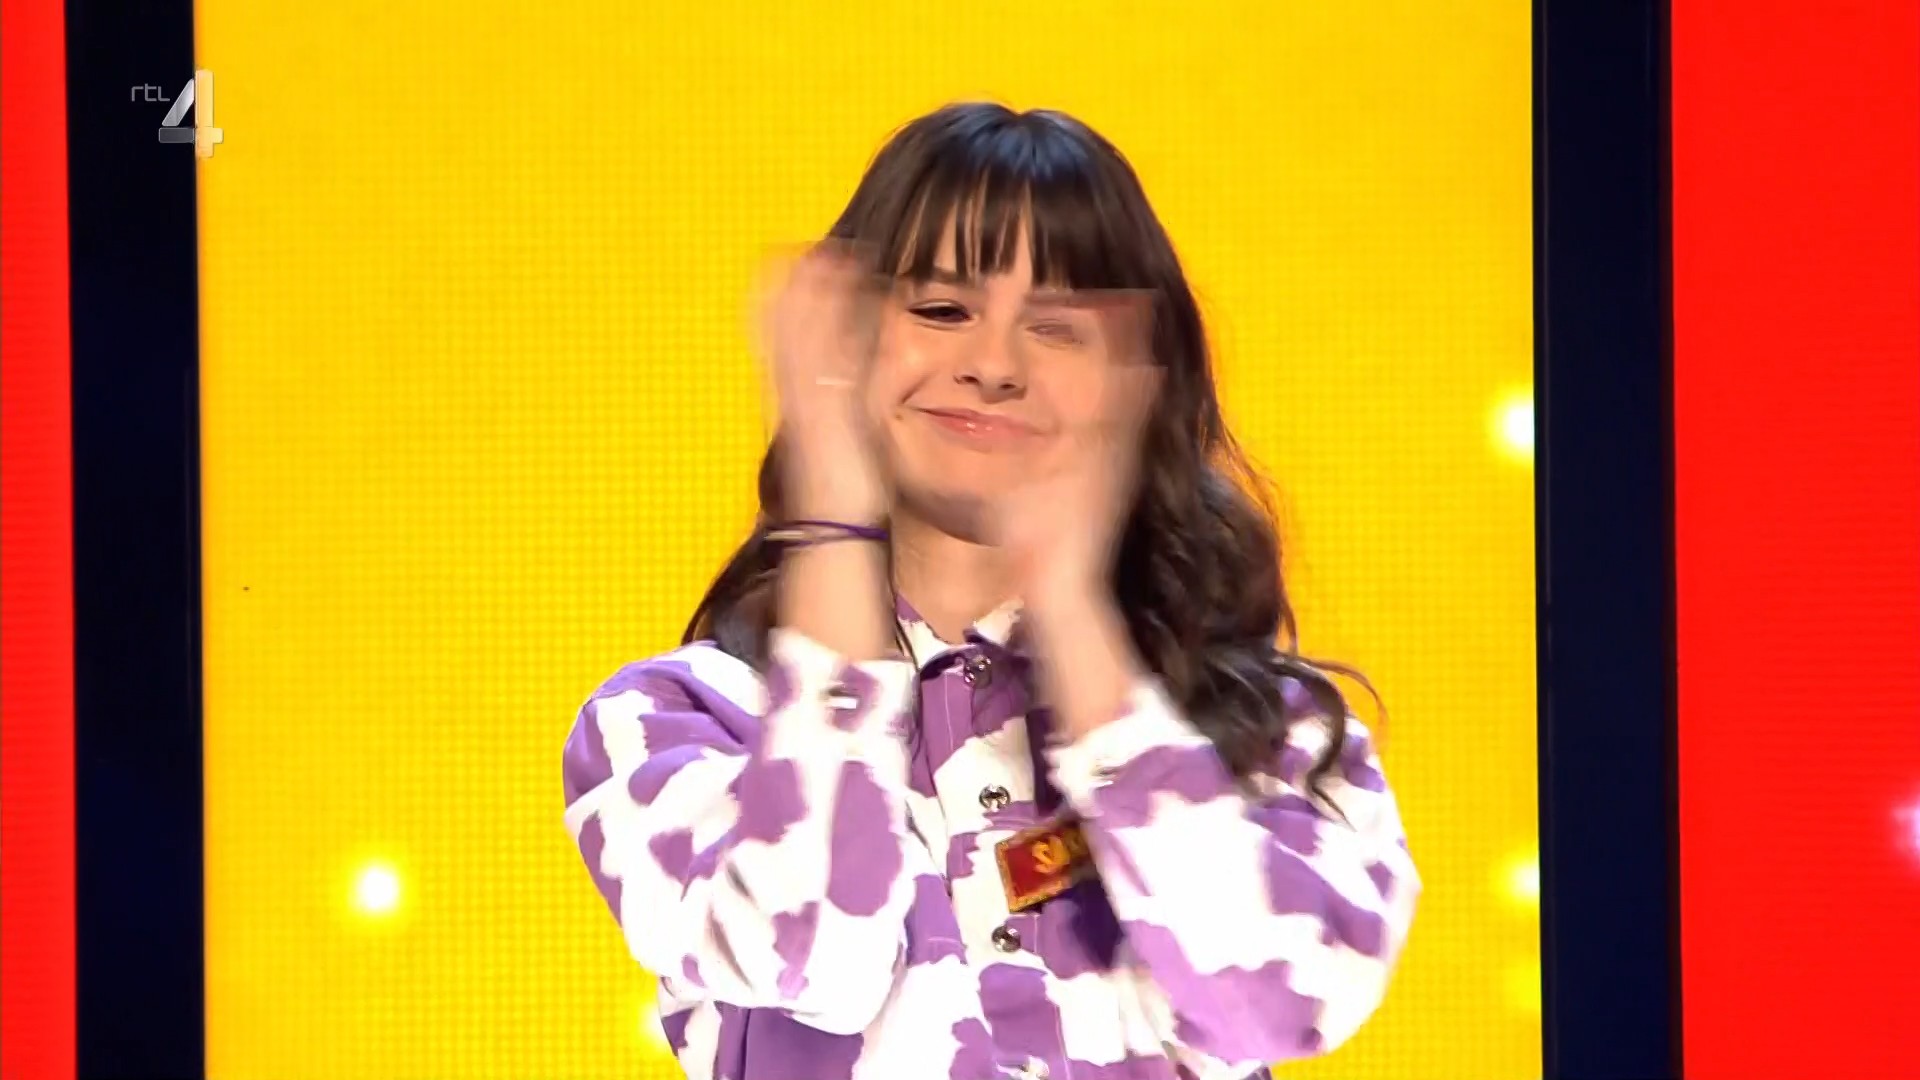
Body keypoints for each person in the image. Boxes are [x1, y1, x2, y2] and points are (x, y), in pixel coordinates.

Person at [561, 102, 1419, 1080]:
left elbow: (1276, 1004)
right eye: (941, 311)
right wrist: (832, 513)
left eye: (1057, 328)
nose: (993, 366)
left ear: (1143, 383)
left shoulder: (1272, 727)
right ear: (842, 345)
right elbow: (805, 953)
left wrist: (1078, 620)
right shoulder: (677, 722)